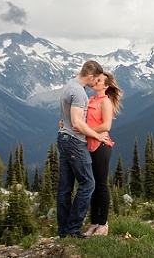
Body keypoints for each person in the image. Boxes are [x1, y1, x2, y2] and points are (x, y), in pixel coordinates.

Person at [56, 59, 107, 238]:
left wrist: (65, 124)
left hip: (63, 137)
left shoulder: (69, 85)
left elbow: (67, 117)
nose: (96, 84)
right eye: (96, 80)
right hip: (74, 142)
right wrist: (96, 135)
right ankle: (72, 229)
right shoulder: (78, 92)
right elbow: (77, 123)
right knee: (88, 183)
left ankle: (64, 231)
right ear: (91, 76)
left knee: (65, 188)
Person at [84, 71, 122, 236]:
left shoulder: (105, 102)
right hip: (89, 145)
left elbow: (106, 126)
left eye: (99, 80)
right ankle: (93, 223)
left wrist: (87, 131)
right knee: (92, 186)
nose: (95, 82)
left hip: (100, 145)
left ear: (106, 86)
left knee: (101, 185)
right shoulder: (91, 99)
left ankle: (103, 223)